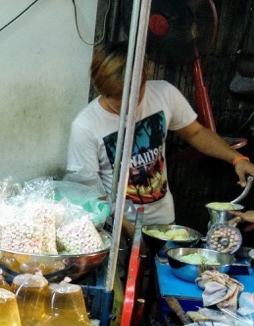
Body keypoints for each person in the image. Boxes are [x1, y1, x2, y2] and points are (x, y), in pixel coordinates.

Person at [67, 42, 254, 226]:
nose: (129, 104)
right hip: (117, 228)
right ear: (101, 89)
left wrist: (236, 159)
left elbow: (196, 133)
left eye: (136, 94)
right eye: (119, 98)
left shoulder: (164, 94)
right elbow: (90, 193)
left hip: (164, 222)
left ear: (144, 78)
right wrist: (129, 230)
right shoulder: (85, 126)